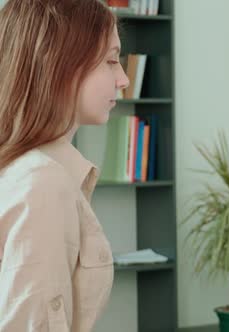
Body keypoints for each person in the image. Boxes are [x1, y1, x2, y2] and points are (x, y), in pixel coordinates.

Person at [0, 0, 129, 330]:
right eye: (112, 60)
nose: (124, 79)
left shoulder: (28, 173)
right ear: (59, 64)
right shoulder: (41, 183)